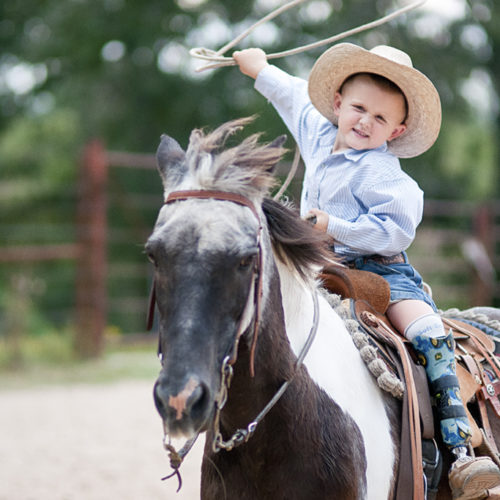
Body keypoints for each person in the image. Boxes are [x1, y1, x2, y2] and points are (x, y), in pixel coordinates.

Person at [233, 43, 500, 499]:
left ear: (396, 130)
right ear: (338, 104)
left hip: (381, 273)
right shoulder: (317, 131)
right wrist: (258, 67)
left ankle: (460, 451)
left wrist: (331, 225)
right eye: (358, 108)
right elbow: (293, 94)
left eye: (380, 119)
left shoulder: (385, 174)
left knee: (427, 332)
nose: (364, 122)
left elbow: (393, 234)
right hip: (317, 267)